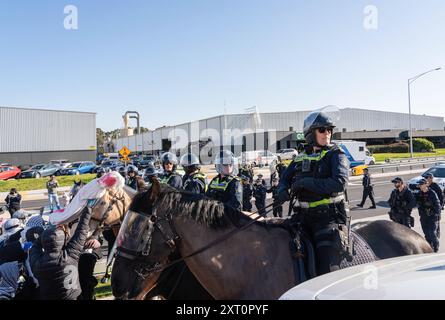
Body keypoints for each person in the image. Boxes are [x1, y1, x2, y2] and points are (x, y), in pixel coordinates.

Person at [277, 109, 351, 275]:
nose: (327, 133)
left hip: (328, 219)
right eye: (322, 130)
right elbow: (285, 178)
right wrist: (282, 189)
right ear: (310, 133)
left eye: (329, 130)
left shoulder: (336, 155)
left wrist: (305, 183)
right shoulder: (301, 156)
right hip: (301, 217)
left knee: (327, 270)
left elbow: (339, 183)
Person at [29, 207, 93, 300]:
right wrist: (87, 211)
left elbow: (34, 248)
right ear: (62, 240)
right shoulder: (70, 255)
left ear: (43, 242)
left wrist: (42, 235)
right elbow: (81, 232)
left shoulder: (37, 263)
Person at [416, 178, 441, 252]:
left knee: (432, 233)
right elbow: (414, 201)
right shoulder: (419, 194)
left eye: (421, 184)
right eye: (419, 185)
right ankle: (430, 247)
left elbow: (437, 205)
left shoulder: (432, 193)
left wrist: (436, 214)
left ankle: (436, 248)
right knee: (426, 234)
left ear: (425, 184)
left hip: (432, 217)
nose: (420, 186)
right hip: (424, 216)